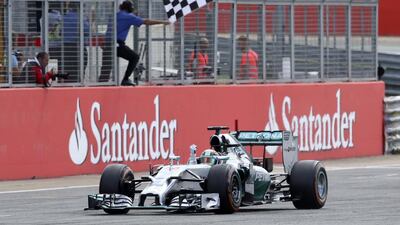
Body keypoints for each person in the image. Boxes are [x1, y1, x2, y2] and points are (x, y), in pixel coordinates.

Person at [99, 0, 170, 86]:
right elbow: (146, 21)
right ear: (130, 9)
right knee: (134, 57)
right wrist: (163, 22)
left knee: (105, 69)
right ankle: (125, 79)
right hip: (117, 44)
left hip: (107, 44)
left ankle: (100, 86)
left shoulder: (114, 15)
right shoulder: (129, 16)